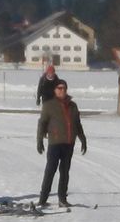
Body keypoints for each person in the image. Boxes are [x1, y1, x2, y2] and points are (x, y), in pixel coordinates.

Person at [36, 78, 87, 208]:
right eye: (59, 88)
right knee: (50, 170)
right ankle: (43, 199)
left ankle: (62, 199)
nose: (62, 91)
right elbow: (42, 123)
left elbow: (77, 123)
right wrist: (39, 140)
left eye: (64, 88)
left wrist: (83, 139)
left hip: (69, 143)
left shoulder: (72, 105)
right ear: (55, 90)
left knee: (65, 172)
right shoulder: (49, 105)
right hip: (55, 143)